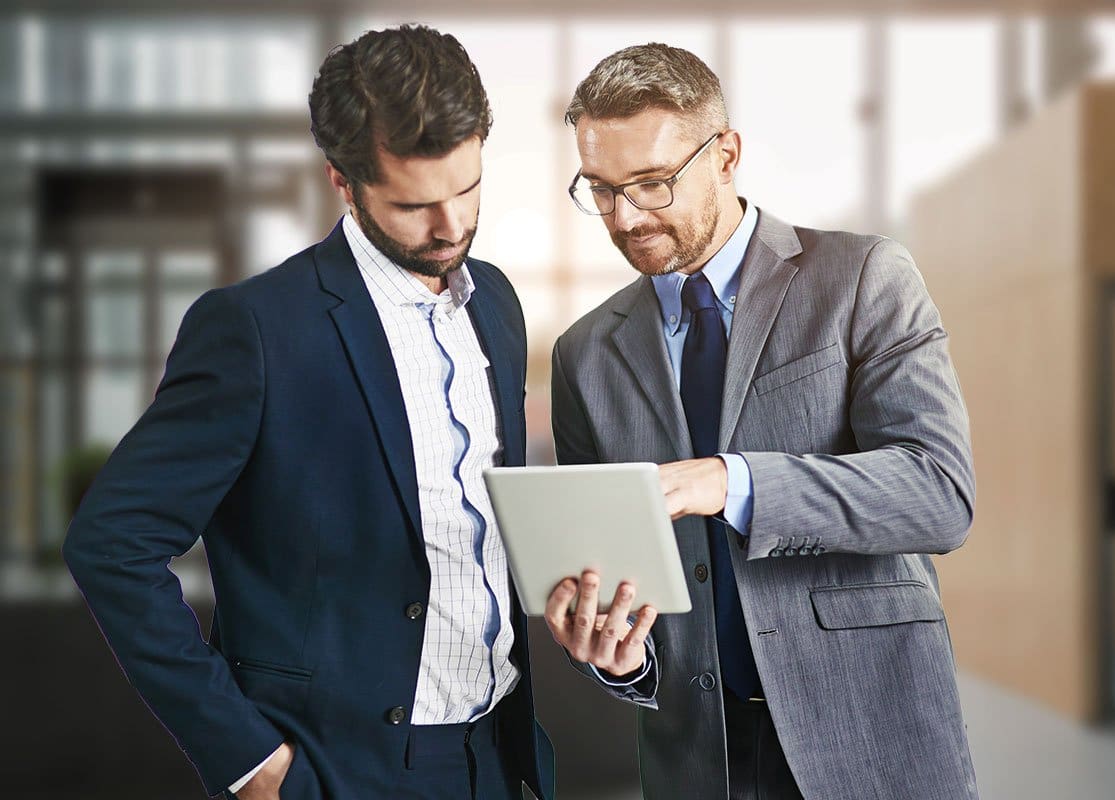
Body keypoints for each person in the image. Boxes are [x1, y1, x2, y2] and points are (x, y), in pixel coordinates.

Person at [62, 25, 553, 800]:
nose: (451, 226)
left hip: (497, 757)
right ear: (343, 182)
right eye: (415, 205)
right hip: (335, 770)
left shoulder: (494, 301)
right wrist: (251, 762)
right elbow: (110, 542)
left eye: (467, 189)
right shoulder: (254, 329)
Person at [544, 43, 978, 800]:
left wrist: (731, 481)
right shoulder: (586, 354)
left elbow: (939, 494)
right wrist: (618, 658)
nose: (625, 217)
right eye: (602, 189)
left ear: (726, 155)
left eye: (651, 184)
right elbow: (612, 576)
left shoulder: (862, 277)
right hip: (695, 760)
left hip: (868, 739)